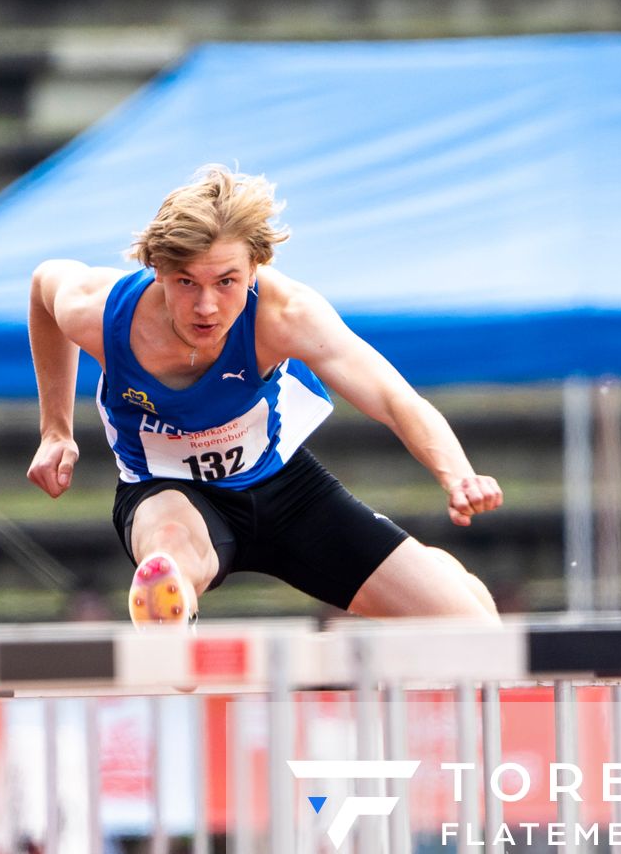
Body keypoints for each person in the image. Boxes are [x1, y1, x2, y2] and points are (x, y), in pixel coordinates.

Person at [25, 165, 502, 626]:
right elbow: (43, 285)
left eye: (226, 281)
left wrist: (457, 473)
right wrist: (55, 430)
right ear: (157, 270)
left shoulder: (285, 314)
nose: (207, 306)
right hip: (165, 487)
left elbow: (394, 397)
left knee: (473, 630)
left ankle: (441, 576)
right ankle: (171, 611)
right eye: (187, 282)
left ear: (255, 269)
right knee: (170, 545)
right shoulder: (102, 312)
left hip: (285, 489)